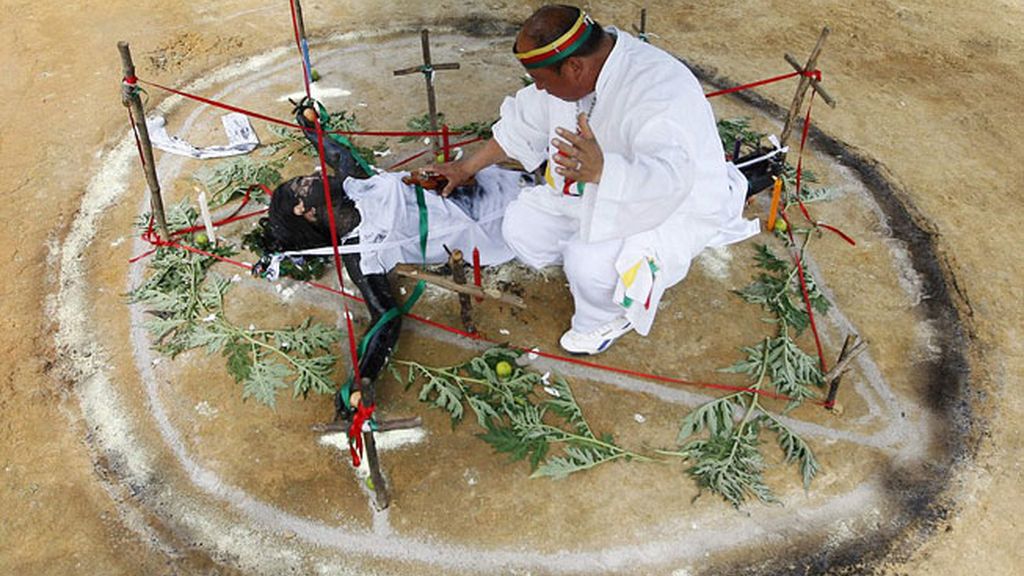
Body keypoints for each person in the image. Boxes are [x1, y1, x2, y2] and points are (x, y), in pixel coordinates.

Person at [433, 4, 758, 355]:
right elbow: (524, 121)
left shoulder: (659, 90)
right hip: (597, 192)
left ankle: (609, 316)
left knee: (588, 265)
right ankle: (585, 257)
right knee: (521, 227)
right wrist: (466, 168)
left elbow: (672, 180)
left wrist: (606, 170)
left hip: (669, 207)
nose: (539, 89)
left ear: (574, 67)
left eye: (542, 80)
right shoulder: (578, 72)